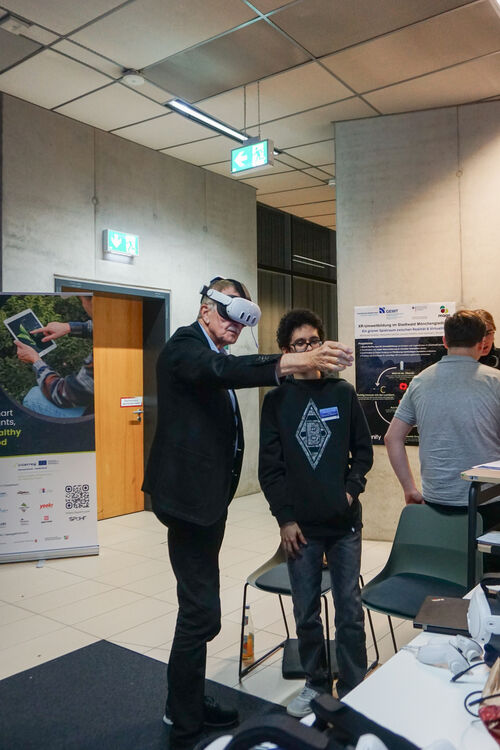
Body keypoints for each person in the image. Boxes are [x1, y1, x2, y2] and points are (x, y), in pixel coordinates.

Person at [142, 278, 354, 750]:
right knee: (199, 614)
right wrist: (291, 362)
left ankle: (185, 702)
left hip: (205, 504)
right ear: (206, 309)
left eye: (244, 320)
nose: (236, 326)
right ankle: (185, 723)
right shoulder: (185, 347)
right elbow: (221, 370)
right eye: (230, 315)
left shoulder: (209, 351)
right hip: (188, 505)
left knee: (202, 611)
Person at [258, 308, 373, 718]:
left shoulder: (342, 393)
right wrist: (285, 520)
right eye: (298, 344)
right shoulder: (276, 400)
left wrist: (351, 491)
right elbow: (270, 469)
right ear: (286, 351)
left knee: (349, 610)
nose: (308, 349)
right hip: (301, 530)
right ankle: (316, 684)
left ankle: (354, 687)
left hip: (343, 525)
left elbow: (363, 451)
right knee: (306, 611)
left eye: (313, 341)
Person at [384, 310, 500, 512]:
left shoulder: (420, 381)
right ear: (482, 343)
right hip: (488, 500)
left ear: (445, 341)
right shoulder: (495, 381)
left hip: (436, 501)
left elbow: (392, 437)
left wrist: (409, 489)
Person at [14, 296, 94, 418]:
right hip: (113, 399)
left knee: (33, 397)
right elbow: (106, 328)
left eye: (81, 299)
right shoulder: (121, 325)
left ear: (92, 302)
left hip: (99, 415)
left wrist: (36, 360)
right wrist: (68, 327)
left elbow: (63, 395)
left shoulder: (100, 360)